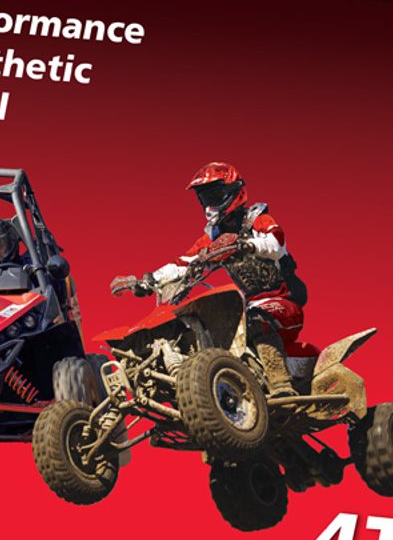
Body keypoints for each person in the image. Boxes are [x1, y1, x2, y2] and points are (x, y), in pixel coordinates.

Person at [113, 162, 306, 398]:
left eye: (215, 195)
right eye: (205, 198)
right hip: (247, 305)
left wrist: (246, 245)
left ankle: (281, 385)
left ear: (234, 191)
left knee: (255, 319)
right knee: (216, 329)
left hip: (283, 300)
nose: (209, 204)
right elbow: (184, 263)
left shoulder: (256, 219)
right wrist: (148, 280)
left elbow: (277, 242)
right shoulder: (214, 236)